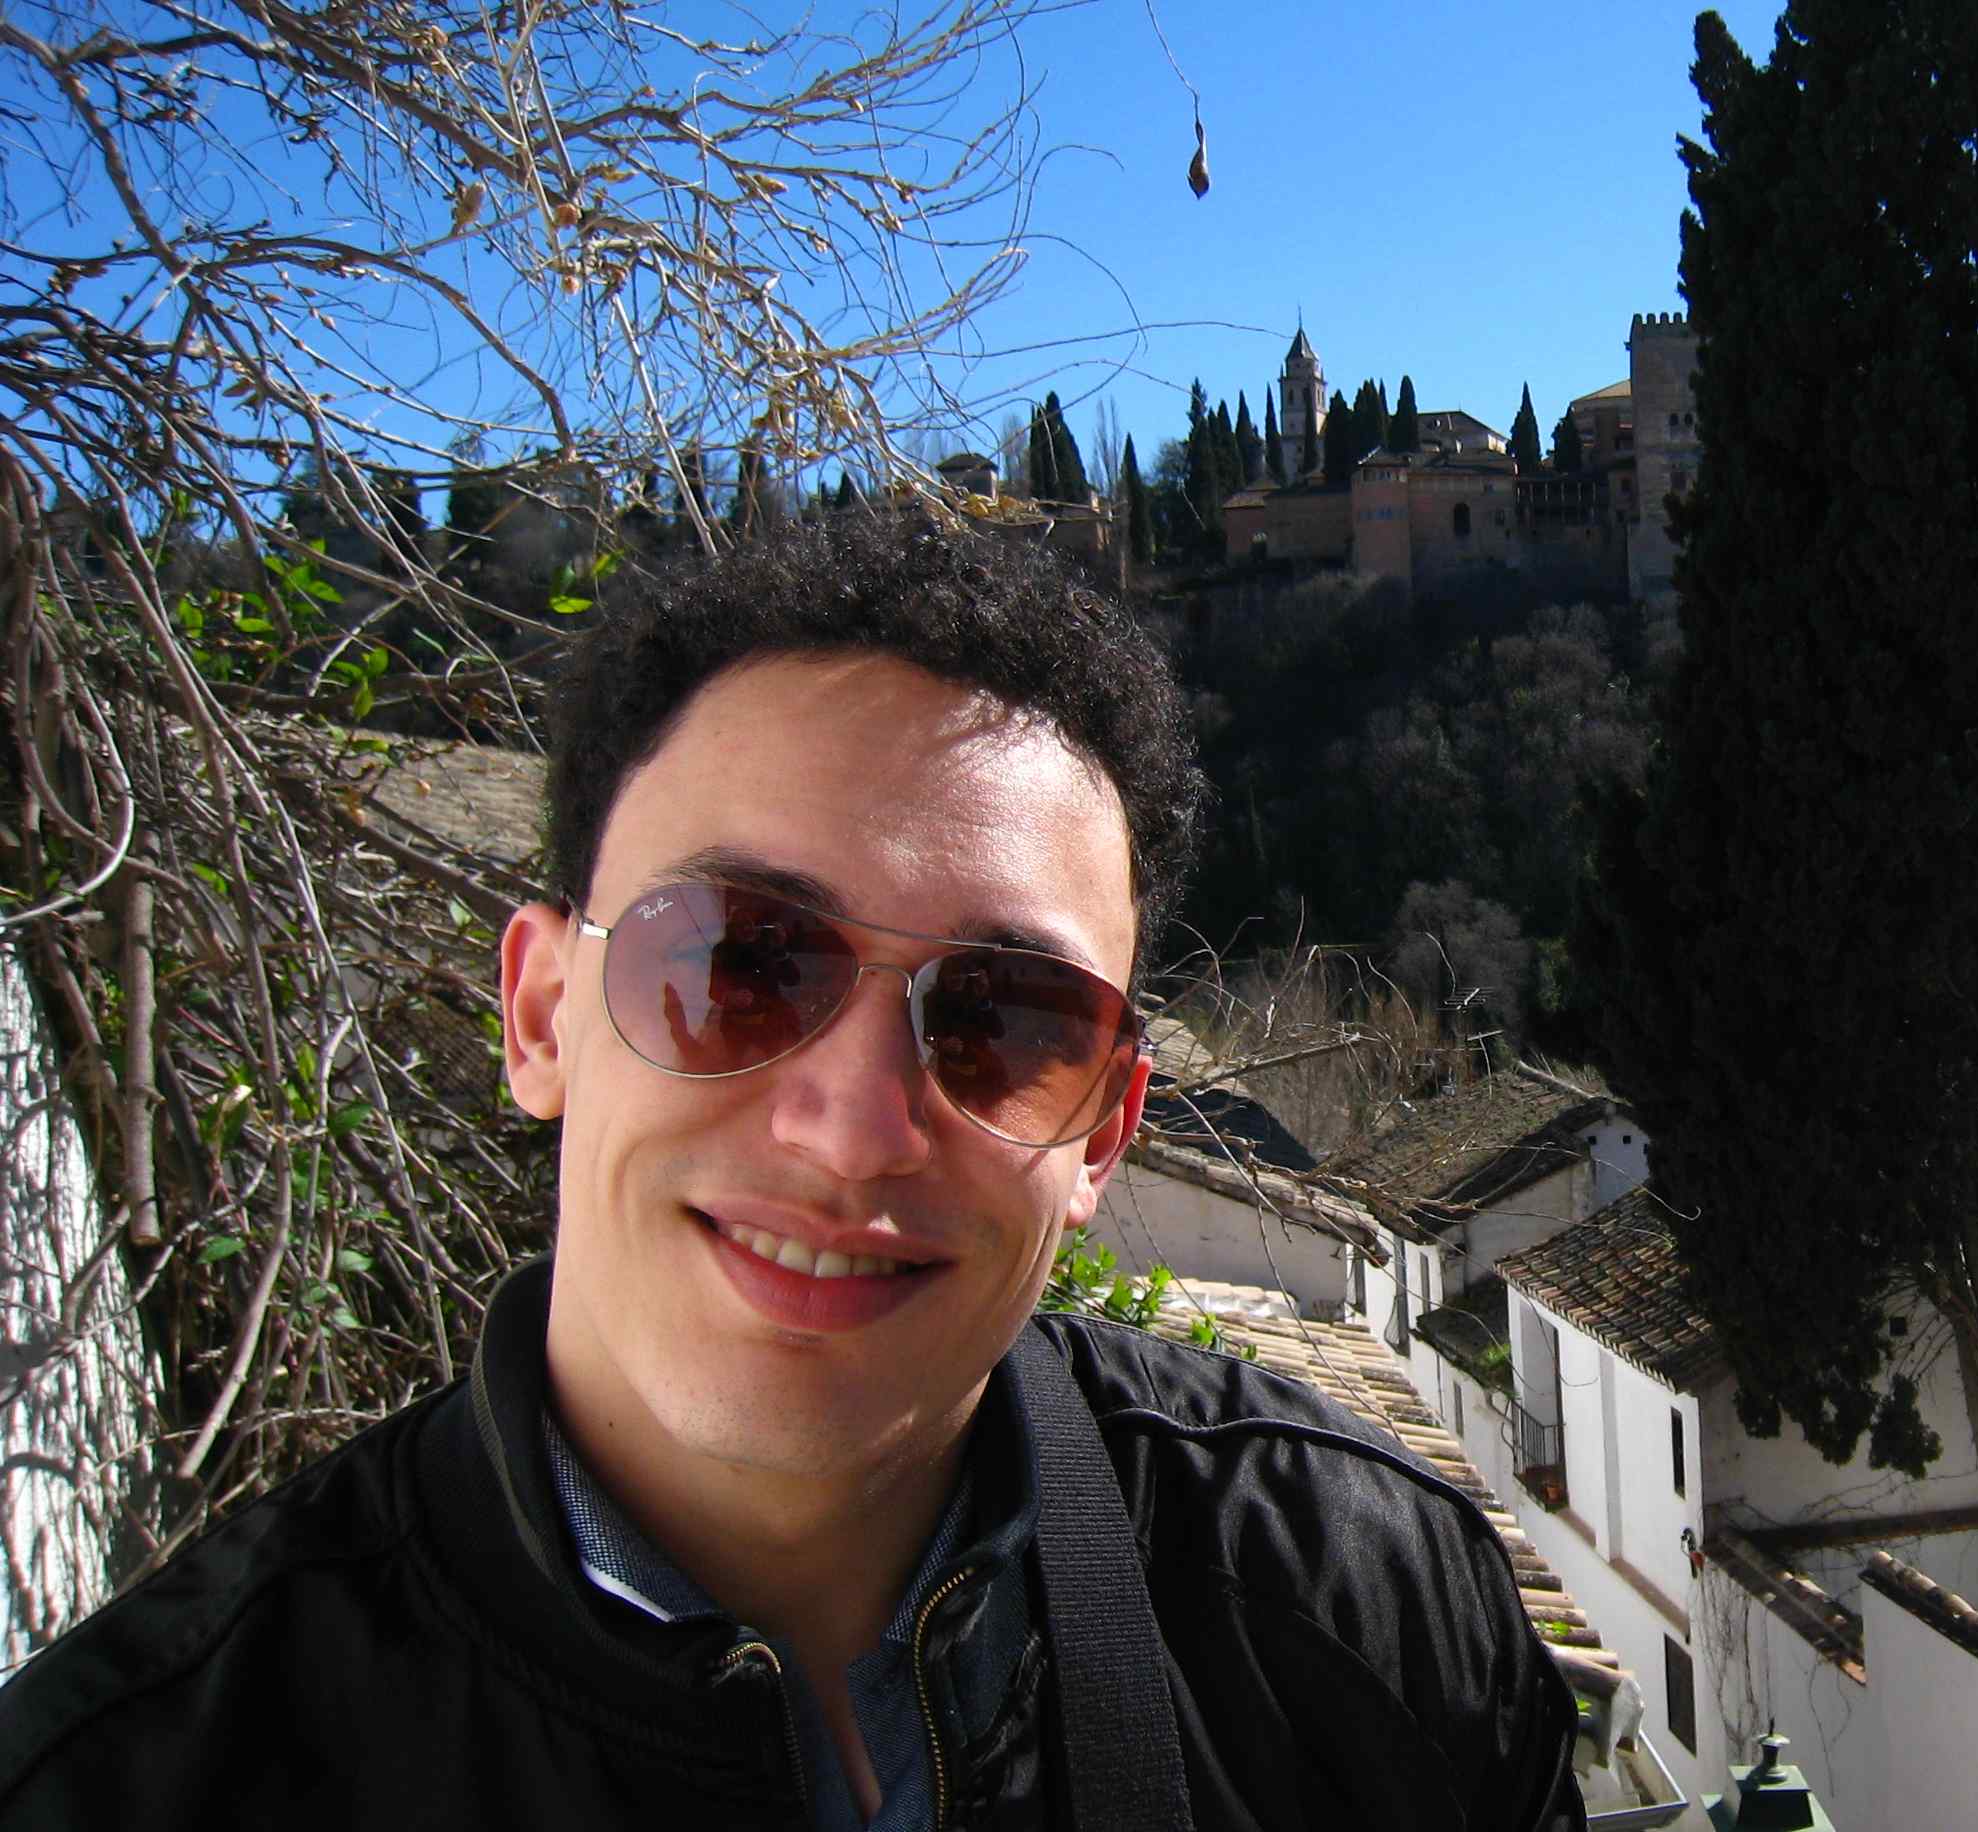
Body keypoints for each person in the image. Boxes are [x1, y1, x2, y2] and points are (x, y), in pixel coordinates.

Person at [0, 512, 1585, 1829]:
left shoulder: (1371, 1629)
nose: (852, 1127)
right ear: (542, 1017)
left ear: (1102, 1135)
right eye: (739, 964)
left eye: (1006, 1021)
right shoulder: (132, 1778)